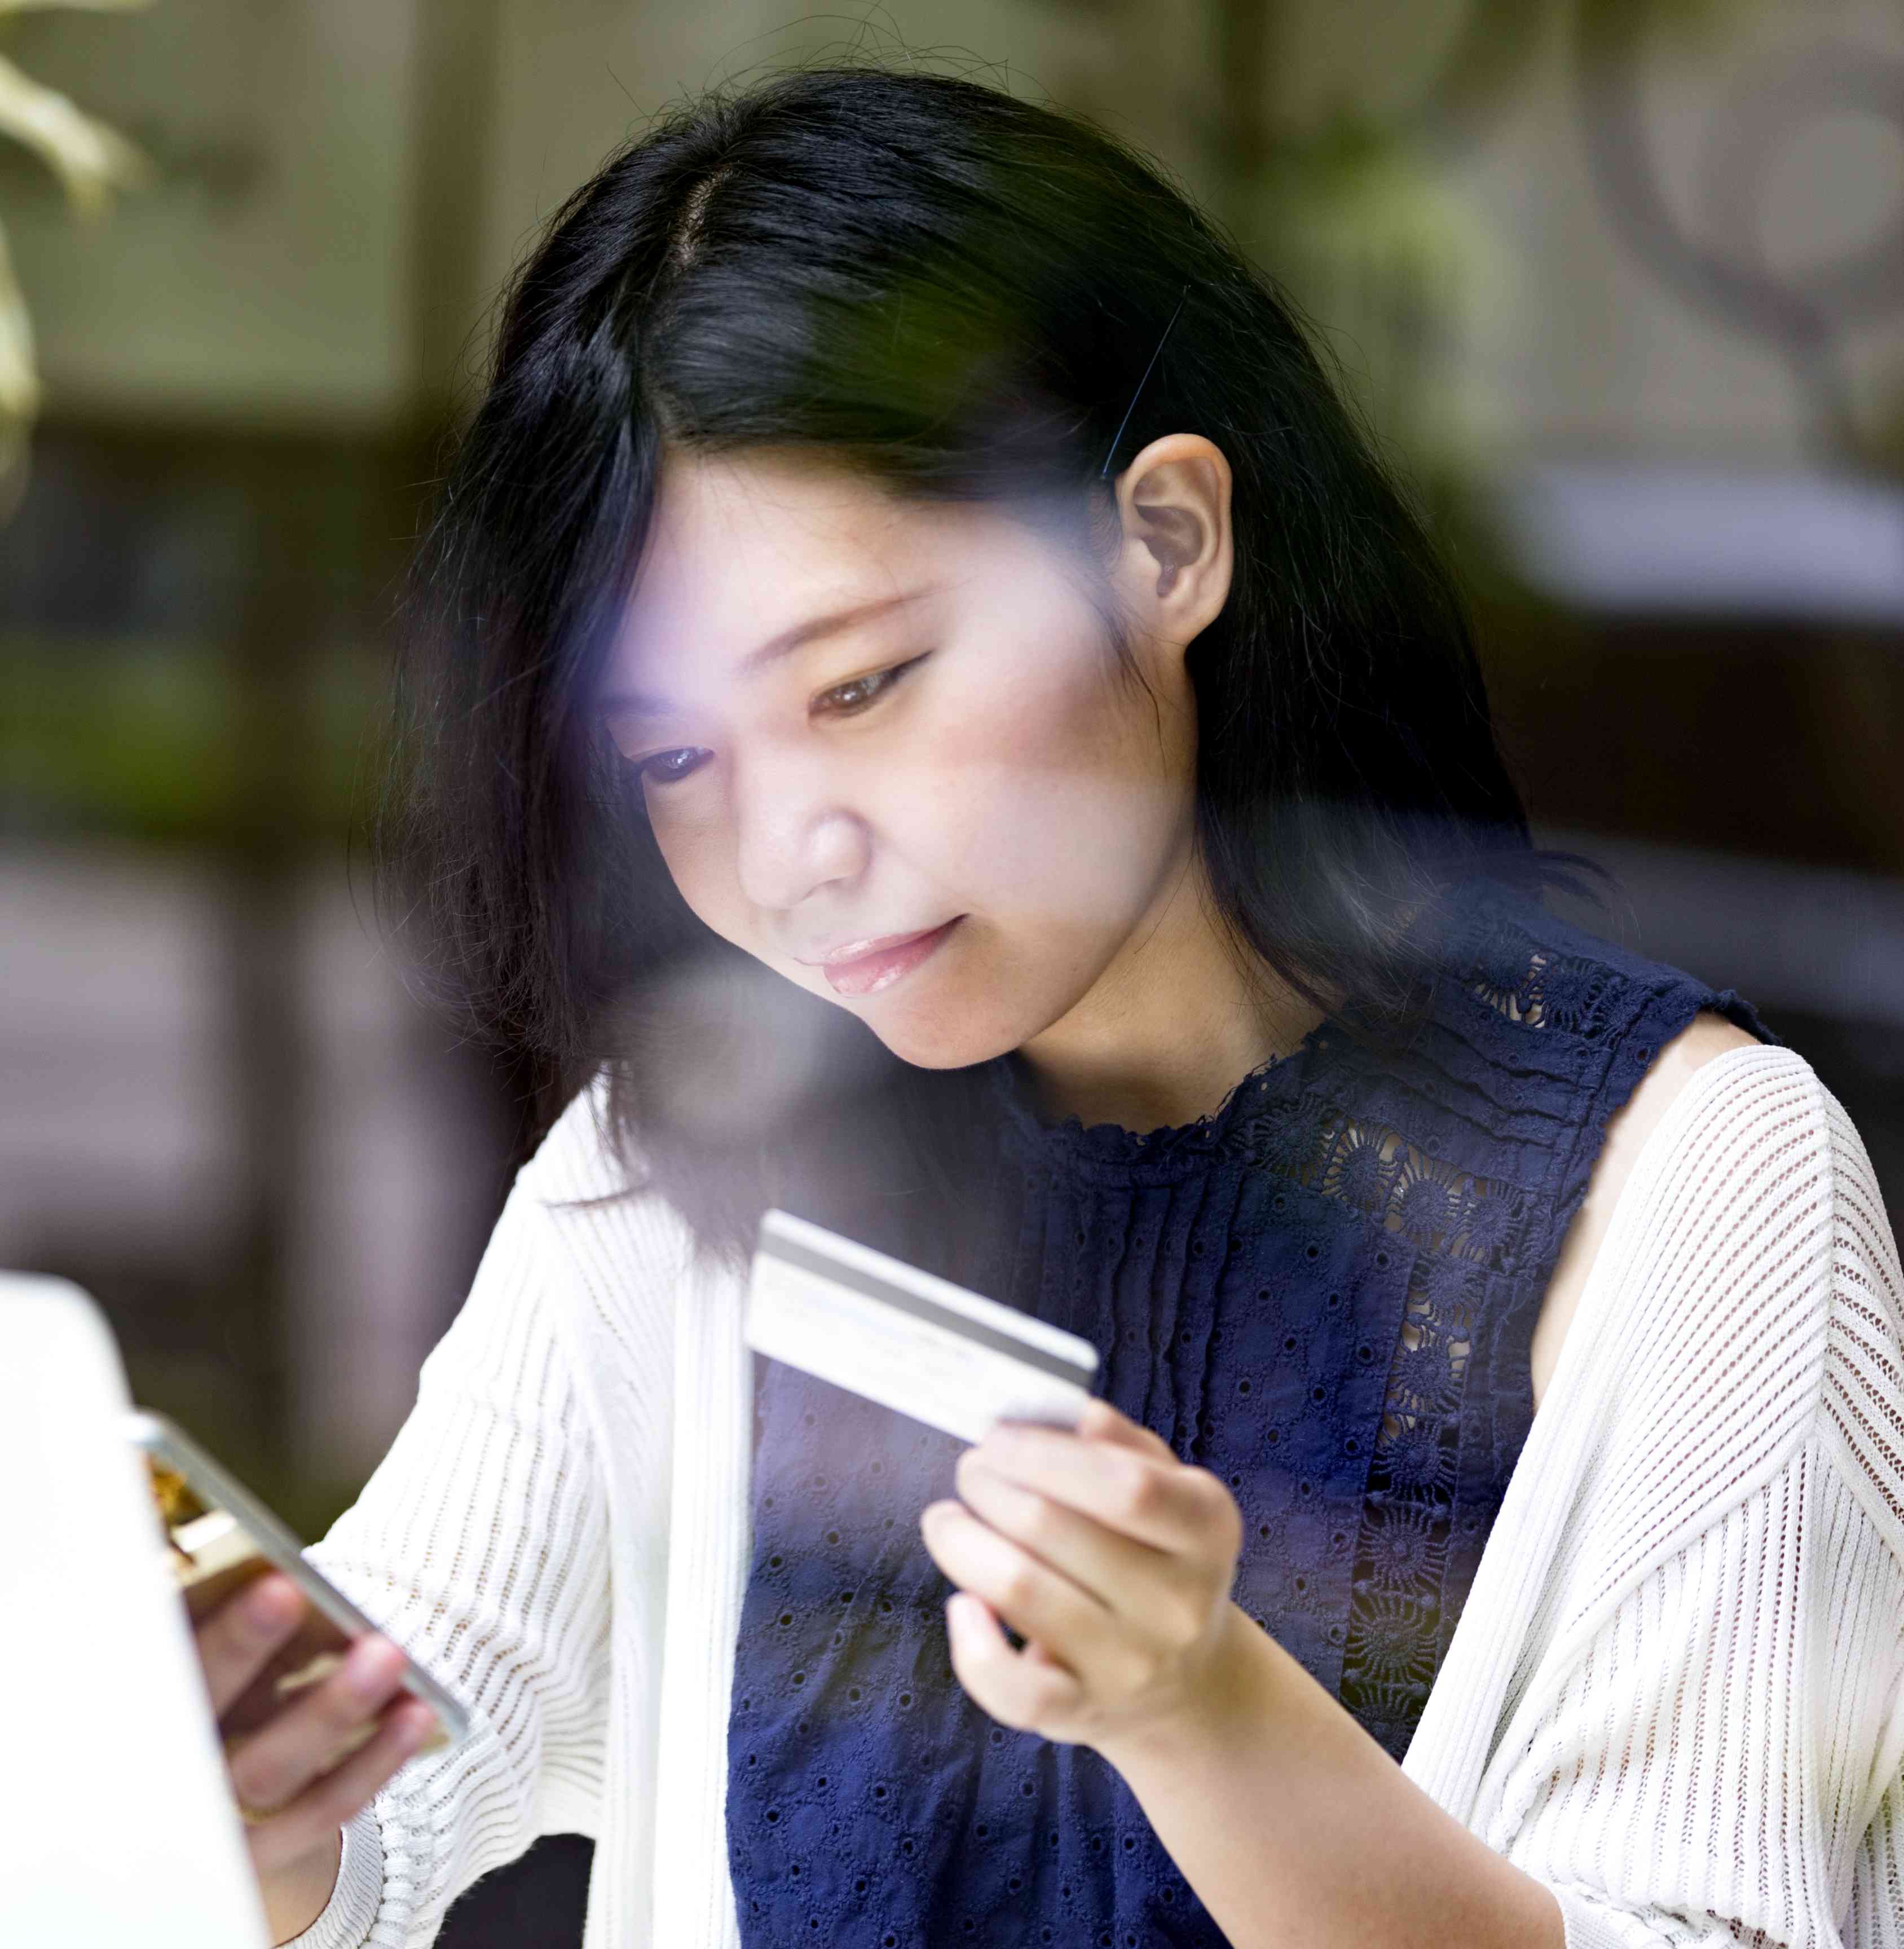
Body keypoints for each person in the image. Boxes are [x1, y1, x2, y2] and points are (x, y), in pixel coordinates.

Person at [186, 65, 1904, 1949]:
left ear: (1164, 543)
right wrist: (248, 1782)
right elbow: (384, 1804)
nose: (788, 856)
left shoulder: (1702, 1190)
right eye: (673, 752)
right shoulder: (693, 1148)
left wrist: (1202, 1712)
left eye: (860, 686)